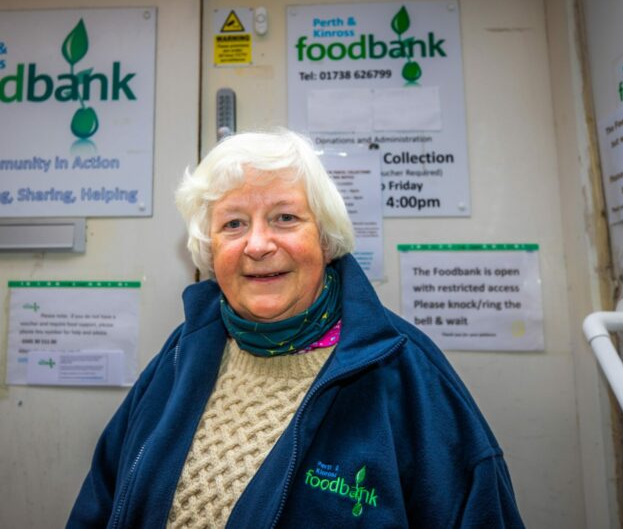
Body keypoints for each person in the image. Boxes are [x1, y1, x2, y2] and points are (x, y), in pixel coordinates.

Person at [67, 130, 524, 528]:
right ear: (209, 250)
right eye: (233, 224)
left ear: (326, 240)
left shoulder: (404, 373)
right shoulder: (179, 357)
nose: (259, 245)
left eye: (285, 217)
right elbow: (100, 503)